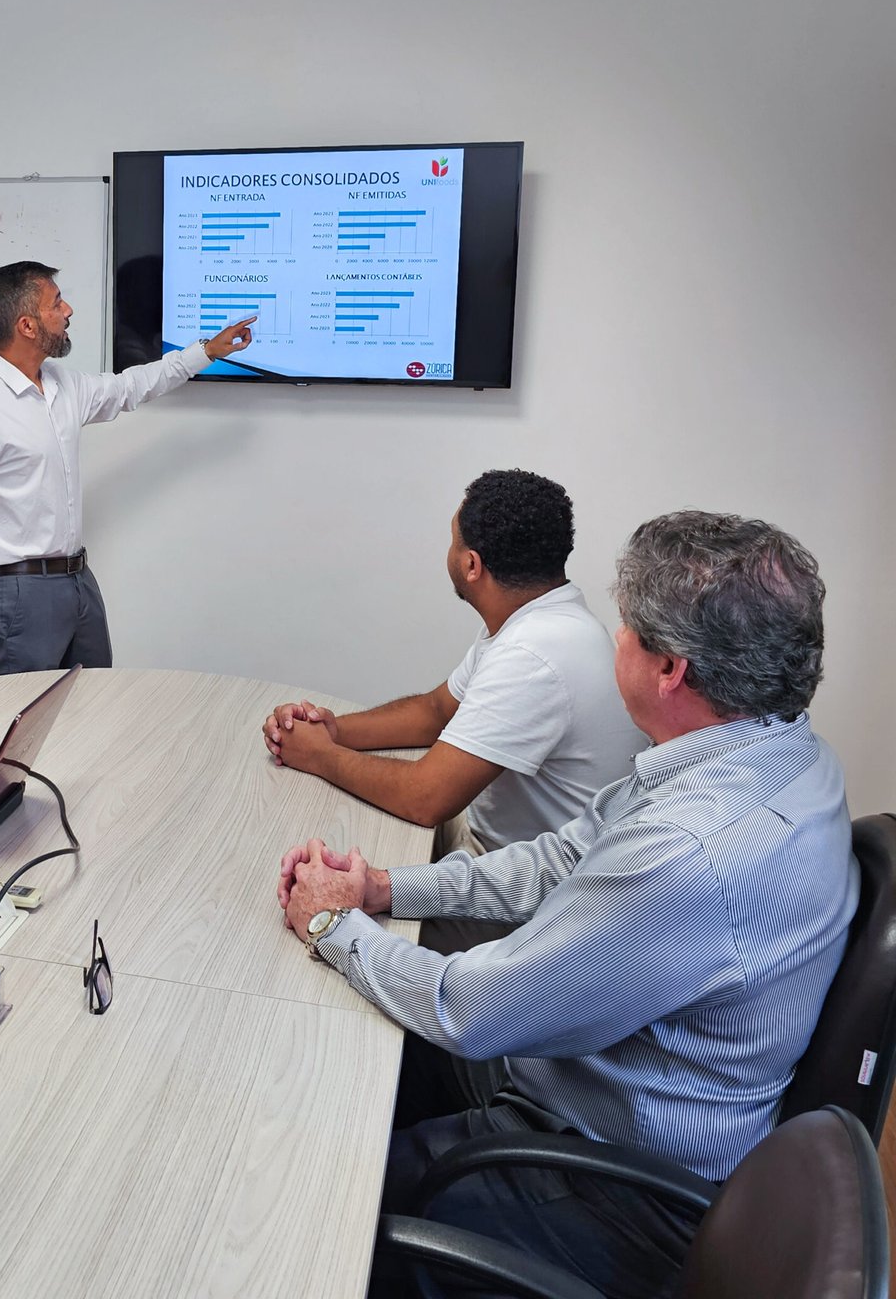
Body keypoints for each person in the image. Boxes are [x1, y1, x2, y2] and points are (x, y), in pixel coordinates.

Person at [277, 511, 856, 1299]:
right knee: (339, 1073)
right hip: (607, 1104)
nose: (610, 640)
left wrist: (331, 926)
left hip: (603, 1187)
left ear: (670, 671)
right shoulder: (772, 753)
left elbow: (474, 1011)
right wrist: (385, 889)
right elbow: (560, 859)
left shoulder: (691, 854)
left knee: (302, 1195)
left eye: (627, 629)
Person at [264, 469, 645, 863]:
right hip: (493, 844)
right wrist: (334, 730)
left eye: (452, 540)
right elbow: (436, 712)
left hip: (523, 891)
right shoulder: (544, 621)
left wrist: (318, 756)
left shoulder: (534, 654)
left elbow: (425, 797)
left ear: (471, 565)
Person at [0, 260, 252, 676]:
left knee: (92, 710)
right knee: (19, 725)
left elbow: (129, 387)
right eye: (56, 303)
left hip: (78, 582)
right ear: (27, 326)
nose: (68, 311)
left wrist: (205, 351)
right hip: (17, 594)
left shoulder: (62, 385)